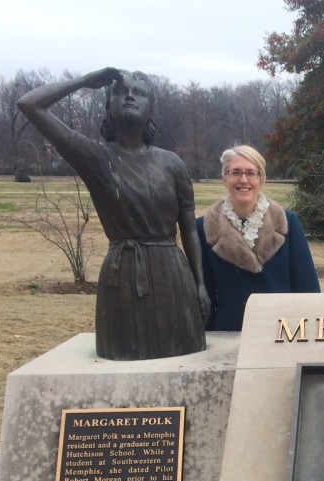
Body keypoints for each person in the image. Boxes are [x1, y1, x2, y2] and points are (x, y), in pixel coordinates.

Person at [17, 68, 209, 360]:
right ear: (108, 104)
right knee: (120, 362)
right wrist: (84, 82)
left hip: (172, 277)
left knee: (181, 357)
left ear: (150, 109)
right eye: (121, 91)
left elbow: (189, 228)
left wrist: (200, 283)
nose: (130, 95)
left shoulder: (171, 164)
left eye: (140, 92)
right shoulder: (94, 157)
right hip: (122, 280)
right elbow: (29, 104)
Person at [197, 145, 320, 331]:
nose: (243, 180)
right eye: (235, 172)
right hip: (230, 334)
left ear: (261, 179)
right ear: (224, 178)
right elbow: (204, 299)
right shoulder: (203, 227)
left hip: (283, 333)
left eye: (250, 173)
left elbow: (308, 289)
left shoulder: (288, 223)